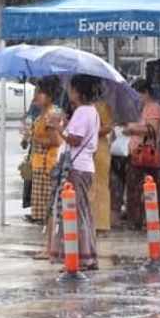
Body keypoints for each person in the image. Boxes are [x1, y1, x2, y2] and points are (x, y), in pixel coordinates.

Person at [50, 75, 101, 270]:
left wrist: (59, 127)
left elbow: (75, 139)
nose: (69, 93)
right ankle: (85, 254)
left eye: (72, 89)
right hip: (84, 166)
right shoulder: (91, 111)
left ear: (79, 92)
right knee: (81, 212)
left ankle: (80, 257)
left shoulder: (83, 112)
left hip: (76, 167)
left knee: (75, 213)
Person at [123, 78, 160, 229]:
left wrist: (133, 128)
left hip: (147, 154)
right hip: (135, 153)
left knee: (147, 188)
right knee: (134, 188)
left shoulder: (154, 108)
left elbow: (151, 129)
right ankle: (136, 219)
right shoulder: (140, 109)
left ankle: (150, 219)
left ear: (146, 93)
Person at [29, 76, 62, 225]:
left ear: (49, 96)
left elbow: (55, 141)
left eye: (39, 92)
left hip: (47, 164)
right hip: (40, 163)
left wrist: (35, 139)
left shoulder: (50, 115)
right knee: (44, 210)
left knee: (47, 210)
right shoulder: (44, 114)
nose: (36, 95)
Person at [93, 90, 114, 232]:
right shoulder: (80, 107)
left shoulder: (102, 106)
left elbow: (108, 127)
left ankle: (101, 222)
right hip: (86, 149)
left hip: (99, 149)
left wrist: (91, 131)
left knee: (100, 187)